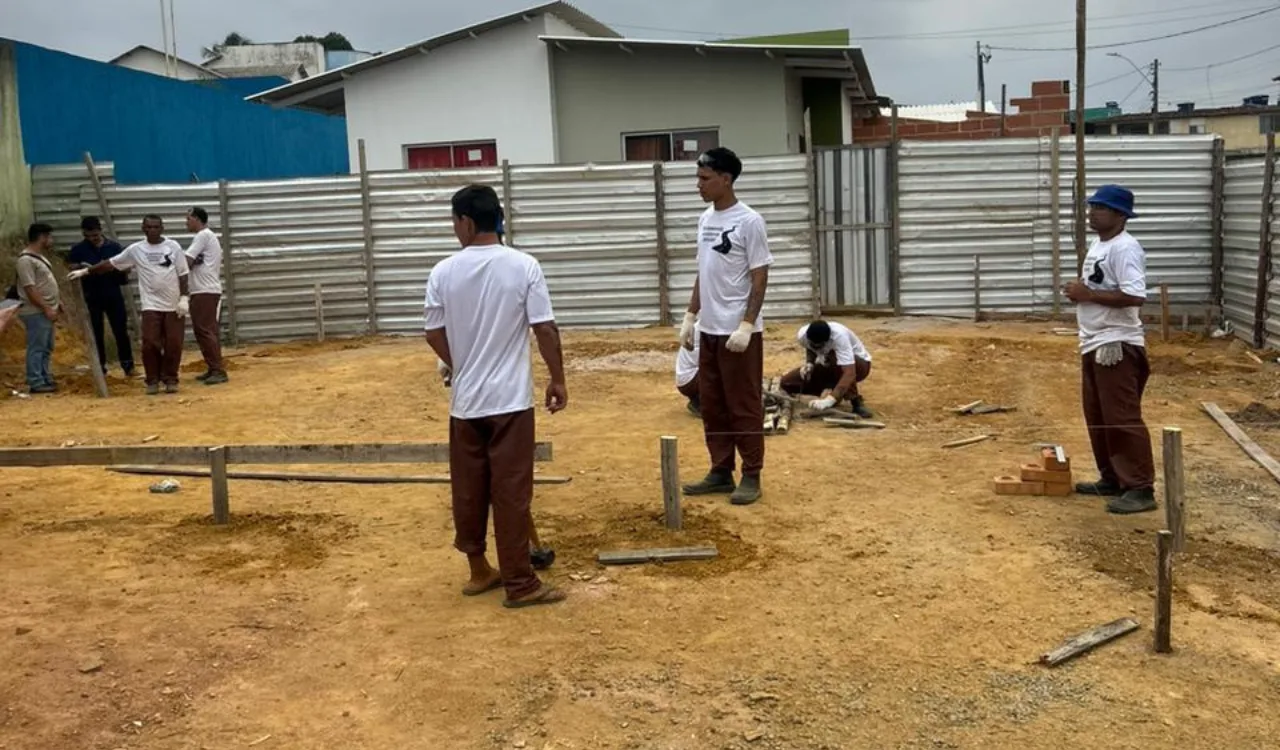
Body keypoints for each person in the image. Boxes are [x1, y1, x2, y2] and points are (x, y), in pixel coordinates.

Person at [424, 184, 567, 609]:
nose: (454, 229)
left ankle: (478, 569)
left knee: (468, 488)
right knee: (510, 490)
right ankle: (520, 583)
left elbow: (433, 333)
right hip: (510, 403)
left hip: (466, 404)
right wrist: (557, 379)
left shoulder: (442, 271)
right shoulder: (524, 266)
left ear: (466, 222)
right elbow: (545, 328)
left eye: (454, 222)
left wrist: (460, 363)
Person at [679, 147, 772, 506]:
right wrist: (690, 317)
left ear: (726, 180)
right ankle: (720, 470)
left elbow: (759, 275)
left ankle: (751, 473)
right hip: (710, 330)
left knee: (743, 403)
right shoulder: (705, 219)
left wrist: (747, 325)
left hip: (738, 335)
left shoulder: (749, 221)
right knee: (713, 403)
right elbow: (704, 272)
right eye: (698, 178)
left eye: (704, 179)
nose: (698, 185)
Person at [1064, 184, 1156, 515]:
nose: (1091, 212)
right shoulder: (1100, 244)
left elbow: (1135, 296)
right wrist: (1082, 292)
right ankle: (1113, 478)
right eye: (1091, 206)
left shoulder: (1125, 248)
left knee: (1121, 417)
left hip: (1116, 344)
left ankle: (1140, 488)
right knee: (1098, 415)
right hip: (1094, 340)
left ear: (1119, 215)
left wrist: (1087, 295)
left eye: (1100, 208)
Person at [69, 215, 189, 396]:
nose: (152, 230)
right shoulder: (136, 250)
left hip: (174, 305)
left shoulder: (173, 247)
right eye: (148, 227)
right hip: (151, 305)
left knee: (173, 344)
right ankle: (153, 380)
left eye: (156, 227)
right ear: (143, 229)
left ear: (162, 228)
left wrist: (184, 298)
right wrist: (86, 271)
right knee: (149, 343)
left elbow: (183, 272)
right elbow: (111, 263)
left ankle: (170, 378)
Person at [67, 216, 135, 378]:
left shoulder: (114, 247)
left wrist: (111, 268)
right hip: (91, 295)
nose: (92, 239)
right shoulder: (78, 249)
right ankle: (100, 368)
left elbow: (127, 266)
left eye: (95, 236)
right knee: (96, 332)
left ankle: (128, 366)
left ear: (100, 231)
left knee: (120, 330)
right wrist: (81, 267)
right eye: (88, 236)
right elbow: (70, 266)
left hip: (112, 293)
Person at [780, 320, 874, 419]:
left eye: (820, 346)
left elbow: (849, 373)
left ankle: (856, 402)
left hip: (858, 366)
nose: (817, 348)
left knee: (834, 357)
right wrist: (810, 364)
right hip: (828, 364)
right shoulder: (802, 335)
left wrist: (830, 400)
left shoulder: (839, 337)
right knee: (786, 382)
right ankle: (837, 390)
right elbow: (810, 348)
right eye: (813, 345)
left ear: (828, 340)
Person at [14, 223, 61, 394]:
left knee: (46, 346)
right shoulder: (25, 260)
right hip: (35, 311)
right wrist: (46, 307)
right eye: (49, 236)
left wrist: (56, 303)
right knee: (37, 346)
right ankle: (36, 381)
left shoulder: (39, 258)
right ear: (42, 237)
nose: (51, 240)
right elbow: (30, 288)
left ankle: (44, 376)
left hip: (45, 309)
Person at [184, 207, 228, 385]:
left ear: (197, 219)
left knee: (204, 330)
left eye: (188, 219)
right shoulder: (208, 237)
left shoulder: (202, 236)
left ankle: (217, 369)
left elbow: (186, 260)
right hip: (204, 289)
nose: (186, 223)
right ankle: (213, 367)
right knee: (206, 330)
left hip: (204, 290)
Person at [675, 325, 701, 416]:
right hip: (690, 382)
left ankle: (697, 402)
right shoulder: (702, 332)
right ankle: (700, 404)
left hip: (686, 380)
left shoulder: (697, 327)